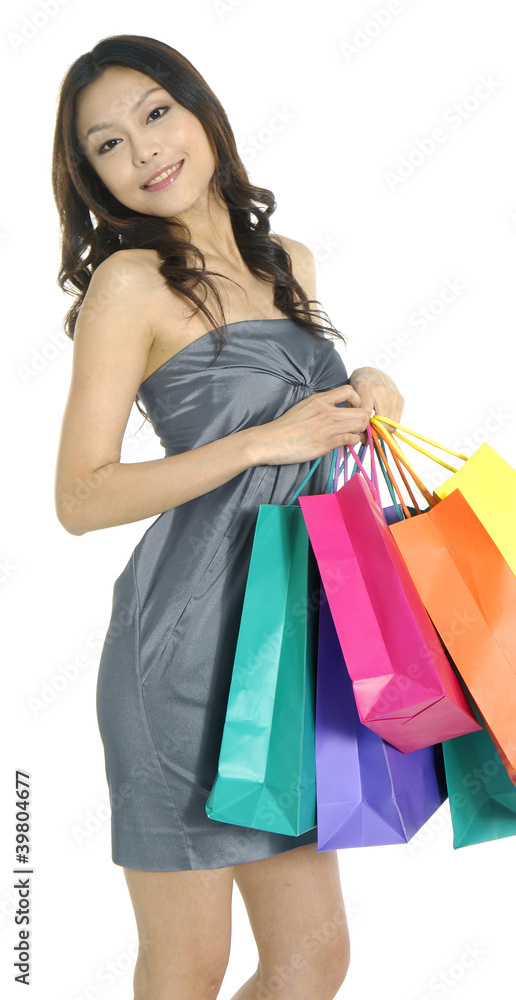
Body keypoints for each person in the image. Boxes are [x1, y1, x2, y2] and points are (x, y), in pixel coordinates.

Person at [52, 34, 404, 1000]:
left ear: (201, 112)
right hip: (180, 649)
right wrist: (256, 444)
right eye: (108, 144)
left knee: (311, 960)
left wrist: (361, 393)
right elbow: (79, 497)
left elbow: (304, 439)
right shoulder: (130, 284)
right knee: (189, 964)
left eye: (155, 113)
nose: (145, 149)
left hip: (284, 644)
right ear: (93, 178)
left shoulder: (285, 261)